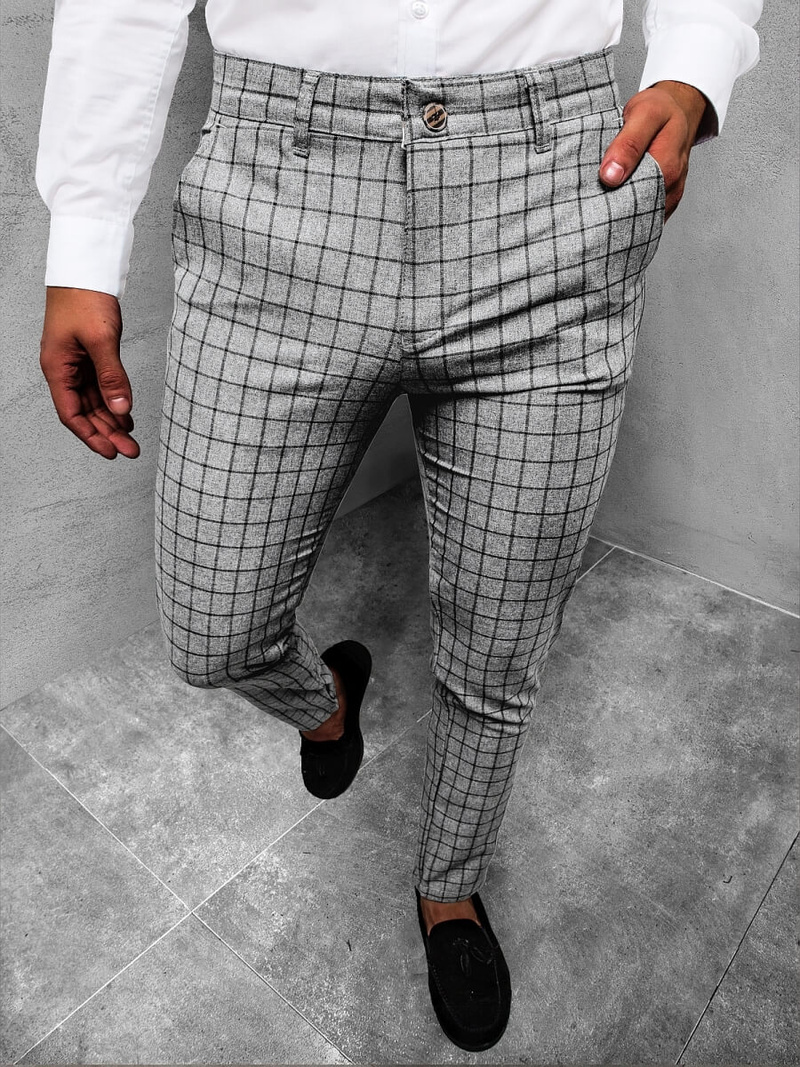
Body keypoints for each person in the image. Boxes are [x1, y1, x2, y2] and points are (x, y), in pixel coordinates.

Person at [36, 0, 761, 1053]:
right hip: (278, 197)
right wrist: (83, 245)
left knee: (497, 643)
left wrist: (696, 64)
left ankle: (450, 886)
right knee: (212, 629)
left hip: (548, 189)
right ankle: (327, 702)